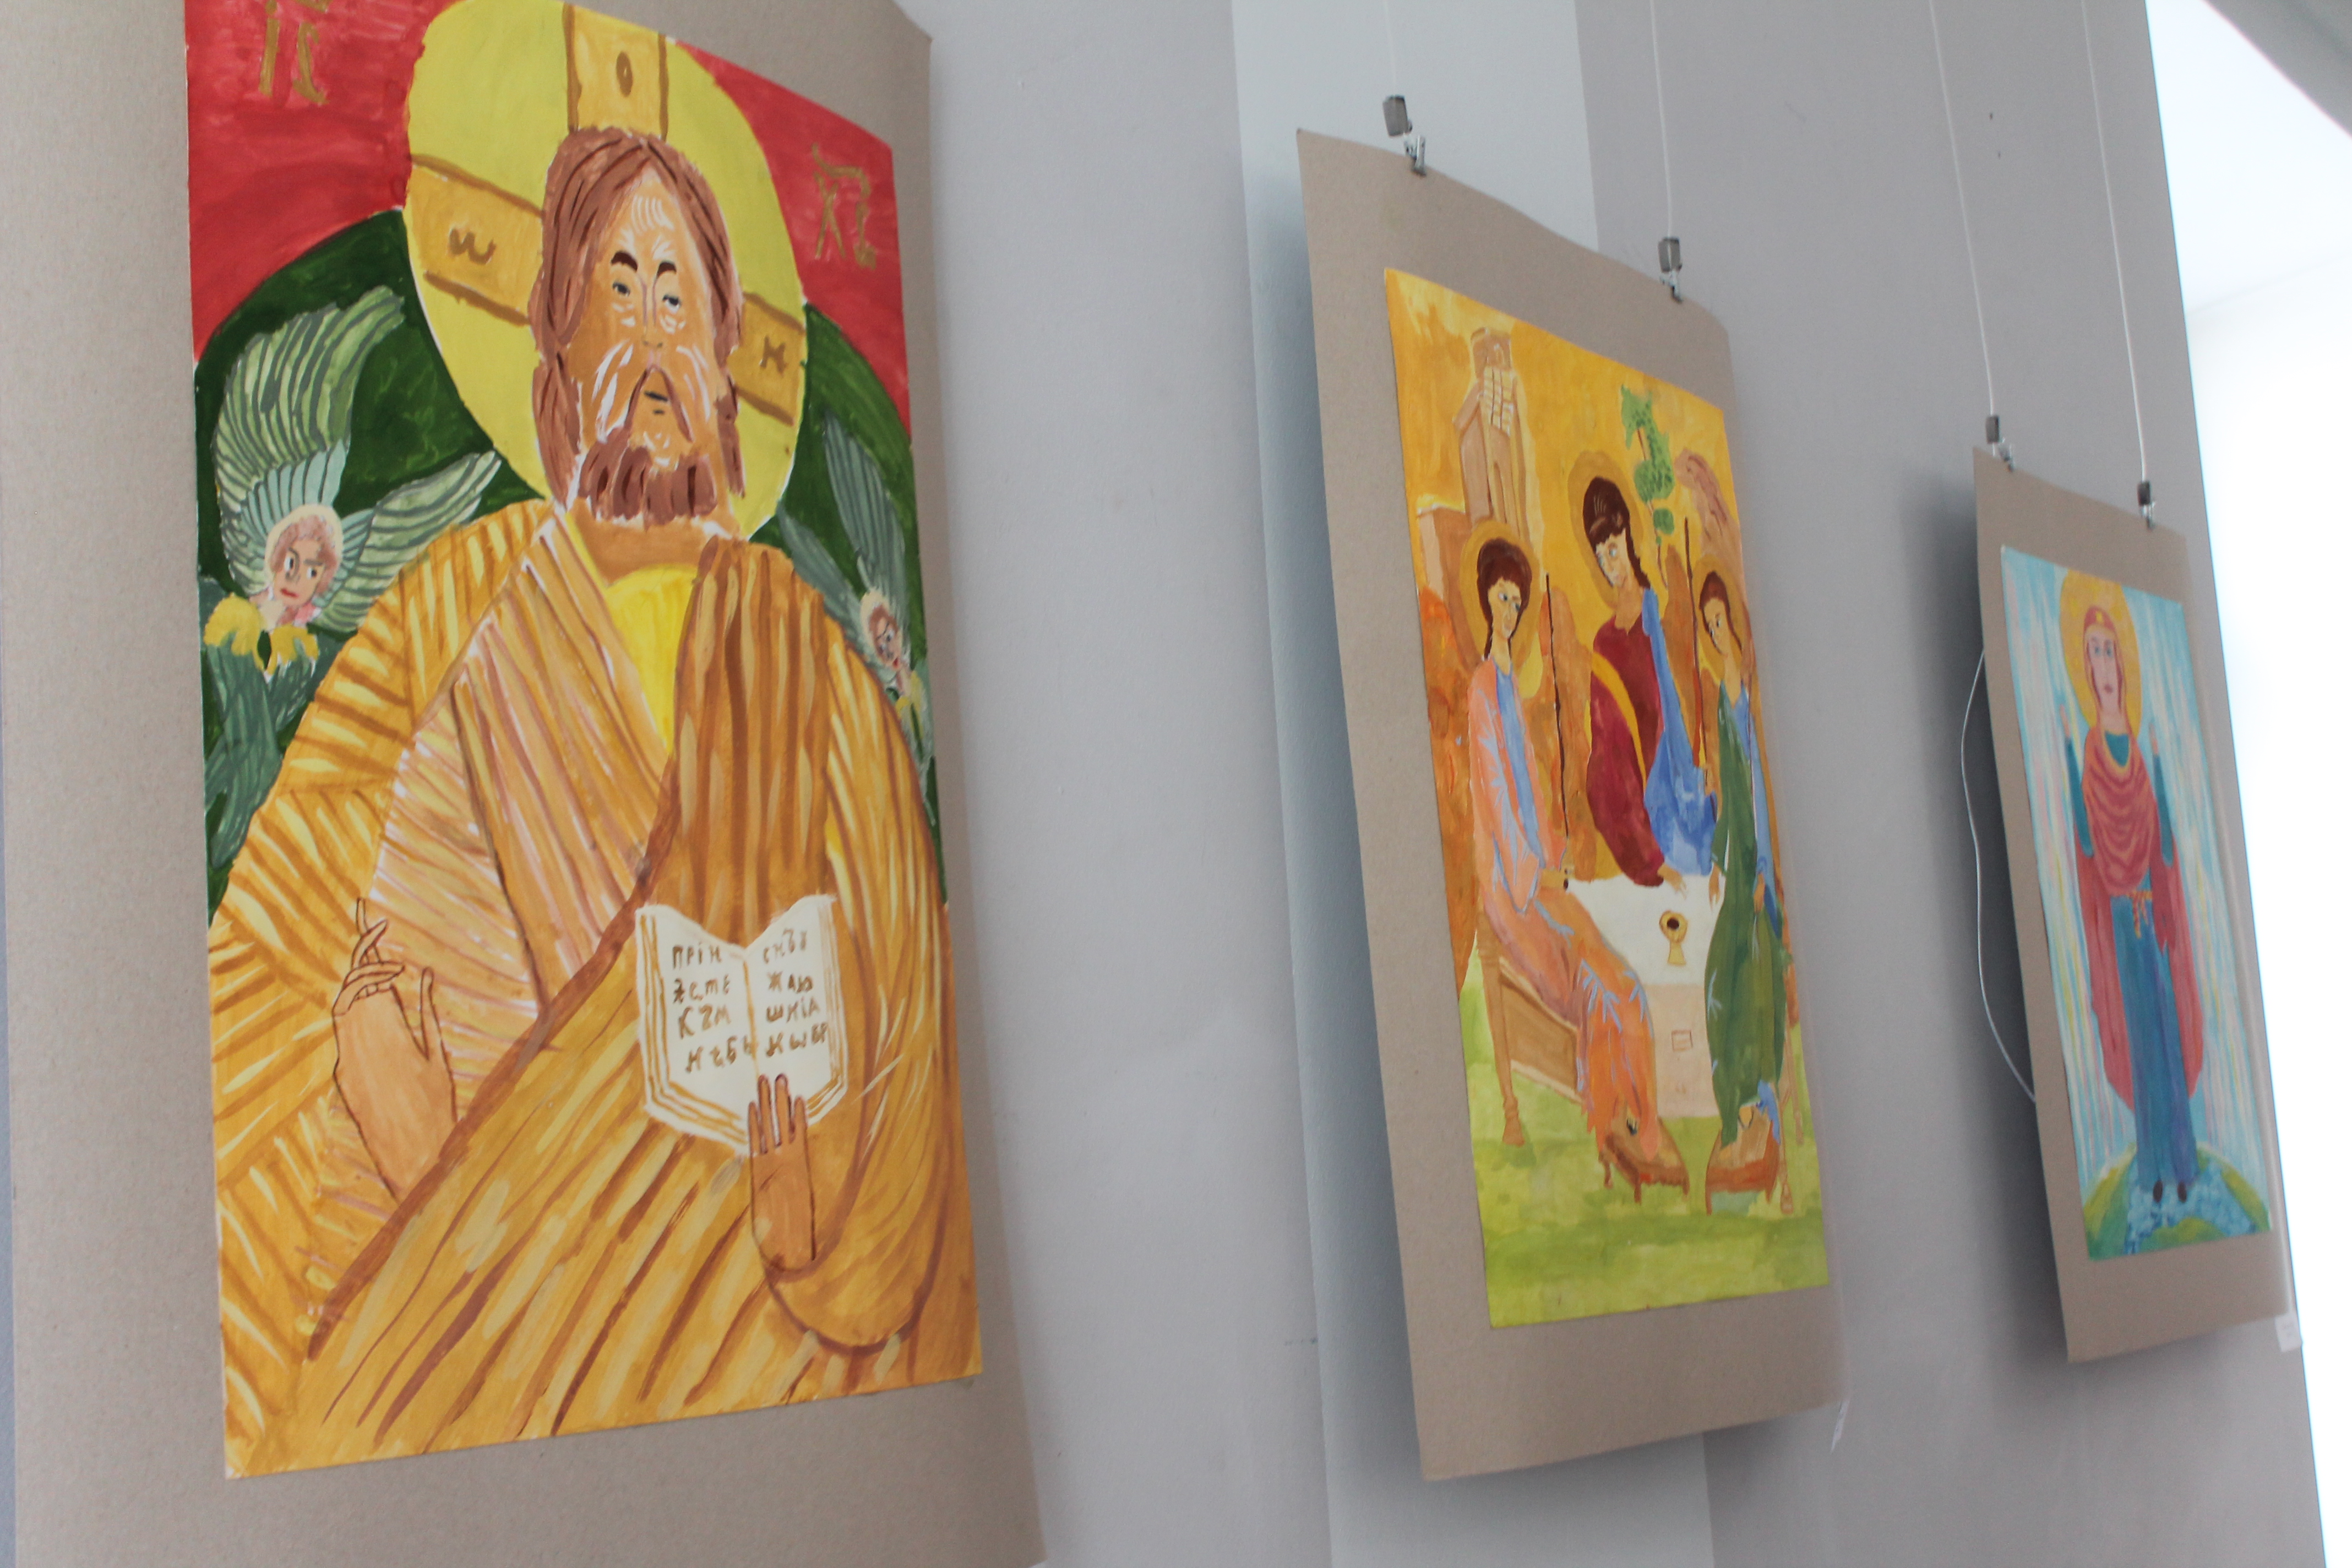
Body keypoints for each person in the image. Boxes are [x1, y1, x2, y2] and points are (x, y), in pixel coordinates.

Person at [208, 126, 974, 1474]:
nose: (655, 334)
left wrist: (819, 1211)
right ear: (555, 346)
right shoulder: (451, 608)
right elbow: (285, 966)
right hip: (470, 1317)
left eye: (681, 297)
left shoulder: (804, 657)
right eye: (619, 287)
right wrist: (394, 1115)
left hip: (764, 1335)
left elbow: (908, 1004)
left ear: (727, 359)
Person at [1464, 536, 1676, 1185]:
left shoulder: (1510, 686)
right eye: (1502, 598)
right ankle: (1618, 1123)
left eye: (1516, 600)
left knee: (1622, 978)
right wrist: (1535, 872)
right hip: (1514, 889)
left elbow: (1532, 791)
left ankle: (1641, 1118)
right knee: (1593, 979)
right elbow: (1497, 798)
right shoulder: (1482, 692)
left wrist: (1555, 855)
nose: (1509, 610)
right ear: (1485, 601)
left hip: (1544, 876)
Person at [2062, 584, 2203, 1206]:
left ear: (2121, 664)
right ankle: (2155, 1169)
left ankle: (2183, 1163)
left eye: (2108, 650)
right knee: (2144, 1038)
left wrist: (2165, 776)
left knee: (2167, 1033)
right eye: (2092, 651)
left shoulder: (2140, 754)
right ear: (2086, 667)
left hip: (2150, 906)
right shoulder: (2094, 749)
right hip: (2123, 916)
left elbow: (2159, 832)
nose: (2103, 663)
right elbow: (2091, 836)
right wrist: (2067, 755)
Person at [1696, 573, 1790, 1207]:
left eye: (1719, 619)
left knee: (1754, 975)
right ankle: (1736, 1112)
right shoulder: (1718, 695)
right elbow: (1731, 795)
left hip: (1759, 868)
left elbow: (1757, 789)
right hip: (1736, 863)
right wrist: (1715, 858)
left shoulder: (1749, 696)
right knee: (1715, 979)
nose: (1715, 630)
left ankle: (1761, 1106)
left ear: (1734, 619)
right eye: (1707, 624)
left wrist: (1759, 874)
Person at [1578, 477, 1713, 888]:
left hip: (1687, 784)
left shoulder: (1661, 611)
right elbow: (1609, 747)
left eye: (1613, 549)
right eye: (1601, 557)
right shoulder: (1605, 643)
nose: (1609, 565)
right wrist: (1647, 854)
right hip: (1645, 807)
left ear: (1628, 537)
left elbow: (1687, 694)